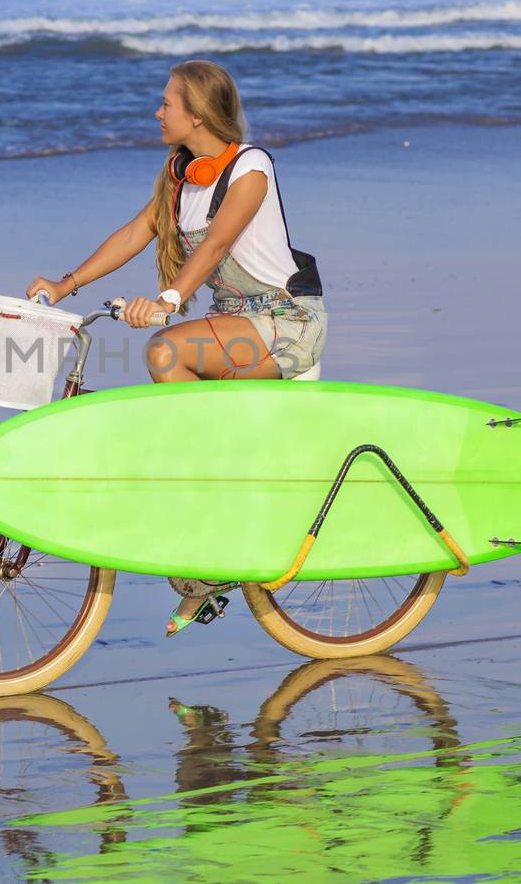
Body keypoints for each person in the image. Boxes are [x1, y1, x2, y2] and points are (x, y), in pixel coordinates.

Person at [26, 59, 327, 637]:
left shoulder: (251, 167)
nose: (157, 112)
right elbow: (138, 232)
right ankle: (217, 533)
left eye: (167, 103)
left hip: (284, 323)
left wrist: (167, 299)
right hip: (231, 324)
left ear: (196, 114)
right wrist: (67, 285)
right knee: (182, 422)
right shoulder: (181, 173)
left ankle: (224, 507)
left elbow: (216, 245)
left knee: (166, 353)